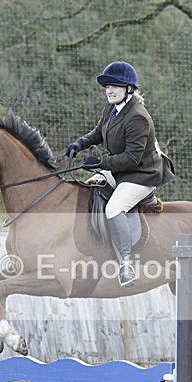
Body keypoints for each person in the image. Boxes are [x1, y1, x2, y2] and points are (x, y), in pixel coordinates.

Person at [65, 60, 170, 288]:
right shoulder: (112, 107)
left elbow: (132, 159)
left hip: (142, 175)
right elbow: (98, 133)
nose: (109, 91)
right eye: (107, 86)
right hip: (121, 170)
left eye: (115, 86)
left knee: (114, 208)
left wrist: (101, 162)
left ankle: (126, 265)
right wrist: (79, 143)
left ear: (129, 89)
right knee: (88, 187)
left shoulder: (138, 117)